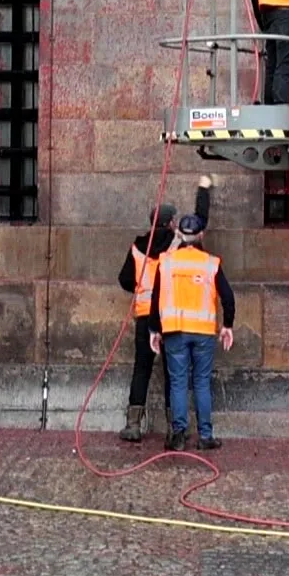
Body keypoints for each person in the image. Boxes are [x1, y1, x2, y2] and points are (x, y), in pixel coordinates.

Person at [116, 174, 213, 442]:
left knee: (142, 369)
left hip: (144, 315)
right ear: (171, 223)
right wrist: (203, 190)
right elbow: (199, 225)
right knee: (175, 374)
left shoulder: (137, 246)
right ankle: (174, 427)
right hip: (169, 318)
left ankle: (133, 424)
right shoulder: (176, 244)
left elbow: (125, 279)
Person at [144, 213, 236, 452]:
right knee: (202, 382)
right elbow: (227, 297)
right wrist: (227, 326)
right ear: (201, 235)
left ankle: (178, 436)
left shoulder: (167, 262)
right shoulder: (210, 263)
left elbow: (156, 298)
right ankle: (205, 436)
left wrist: (154, 329)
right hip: (204, 332)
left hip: (174, 331)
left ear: (180, 235)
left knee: (177, 382)